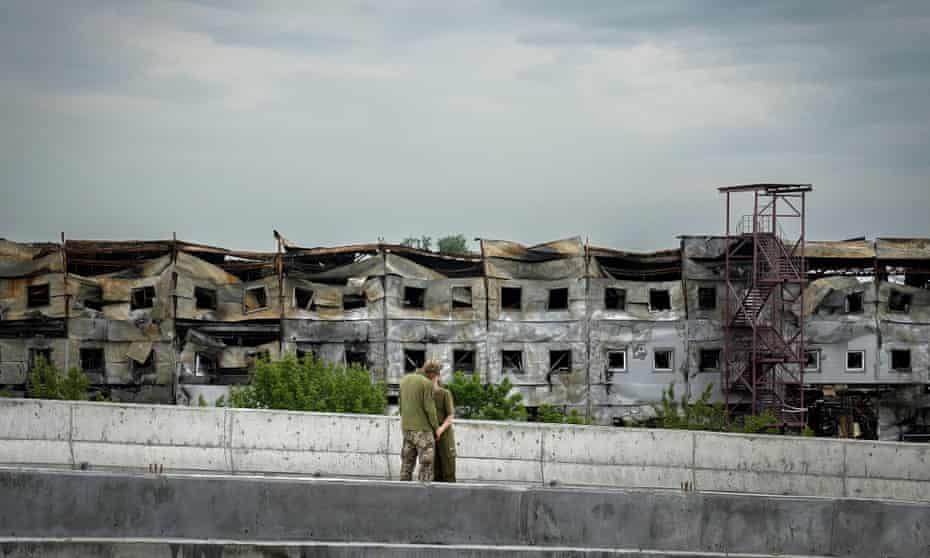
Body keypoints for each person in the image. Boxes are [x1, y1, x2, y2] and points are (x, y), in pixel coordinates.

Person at [398, 360, 441, 481]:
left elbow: (400, 406)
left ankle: (403, 488)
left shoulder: (404, 380)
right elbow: (430, 409)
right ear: (432, 373)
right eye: (437, 374)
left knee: (406, 463)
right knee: (426, 463)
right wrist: (436, 428)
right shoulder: (426, 384)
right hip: (423, 430)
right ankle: (424, 490)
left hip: (407, 428)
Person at [432, 373, 456, 482]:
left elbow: (450, 416)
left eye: (432, 375)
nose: (430, 378)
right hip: (431, 434)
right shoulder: (426, 395)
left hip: (445, 433)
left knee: (448, 467)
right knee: (435, 469)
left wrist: (440, 429)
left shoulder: (445, 393)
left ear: (437, 376)